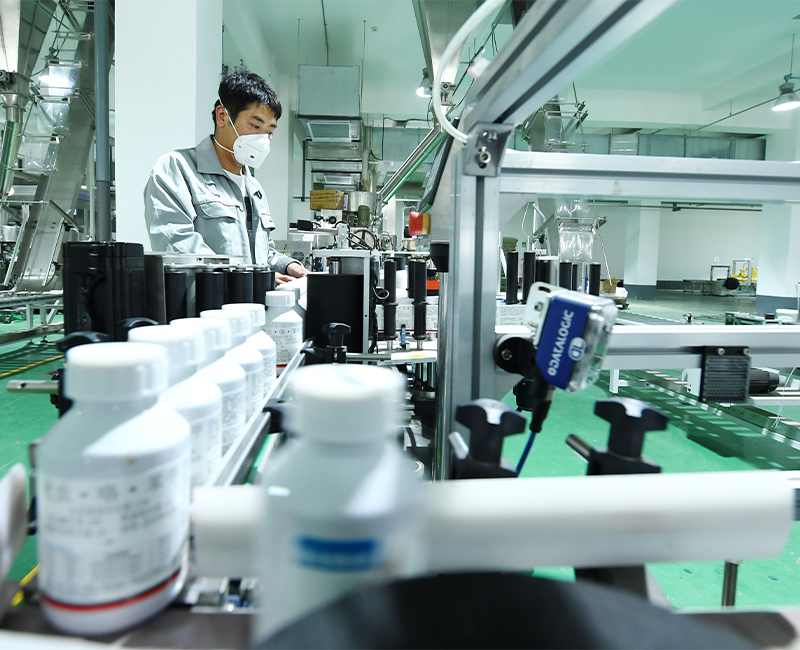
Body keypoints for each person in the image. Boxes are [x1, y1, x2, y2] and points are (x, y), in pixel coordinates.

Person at [144, 67, 307, 283]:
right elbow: (178, 247)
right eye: (255, 125)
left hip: (252, 302)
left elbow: (261, 252)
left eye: (269, 132)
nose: (263, 140)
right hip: (204, 303)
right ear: (222, 116)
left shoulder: (254, 188)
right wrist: (252, 278)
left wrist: (288, 265)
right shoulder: (177, 170)